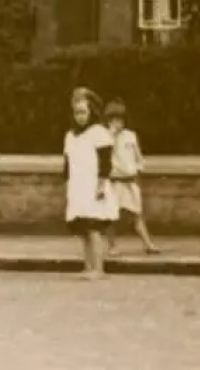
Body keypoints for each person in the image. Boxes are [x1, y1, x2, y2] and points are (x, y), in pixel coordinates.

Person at [62, 86, 118, 278]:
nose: (80, 116)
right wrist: (67, 186)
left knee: (94, 229)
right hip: (78, 188)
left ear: (90, 112)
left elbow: (105, 163)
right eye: (77, 113)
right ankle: (87, 266)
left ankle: (99, 268)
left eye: (84, 112)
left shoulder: (99, 133)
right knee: (83, 230)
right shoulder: (70, 136)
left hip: (93, 187)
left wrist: (101, 186)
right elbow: (67, 165)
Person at [103, 99, 159, 256]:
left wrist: (139, 168)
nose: (118, 123)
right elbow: (103, 156)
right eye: (114, 120)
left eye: (120, 120)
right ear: (108, 121)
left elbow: (138, 156)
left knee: (137, 214)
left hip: (130, 180)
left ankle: (148, 244)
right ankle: (112, 245)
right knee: (111, 216)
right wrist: (111, 136)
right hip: (114, 182)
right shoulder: (105, 137)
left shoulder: (131, 136)